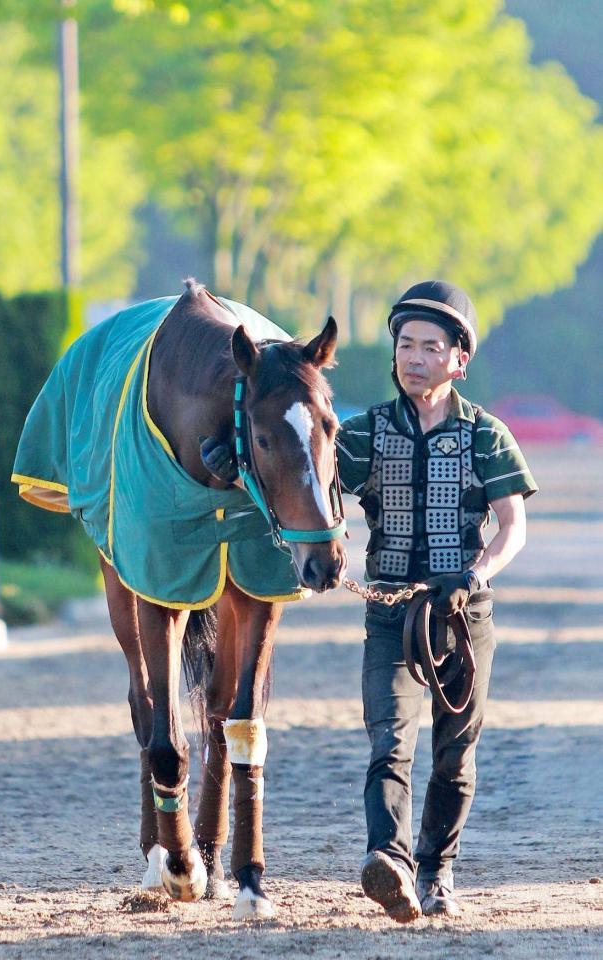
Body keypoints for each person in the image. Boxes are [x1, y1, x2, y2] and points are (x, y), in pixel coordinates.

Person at [200, 280, 537, 921]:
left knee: (455, 752)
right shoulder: (361, 434)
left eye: (429, 347)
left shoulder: (488, 436)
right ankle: (390, 860)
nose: (413, 358)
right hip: (389, 612)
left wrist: (478, 571)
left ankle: (439, 870)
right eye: (404, 345)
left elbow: (512, 526)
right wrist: (233, 462)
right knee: (389, 742)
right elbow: (302, 467)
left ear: (458, 359)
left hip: (463, 616)